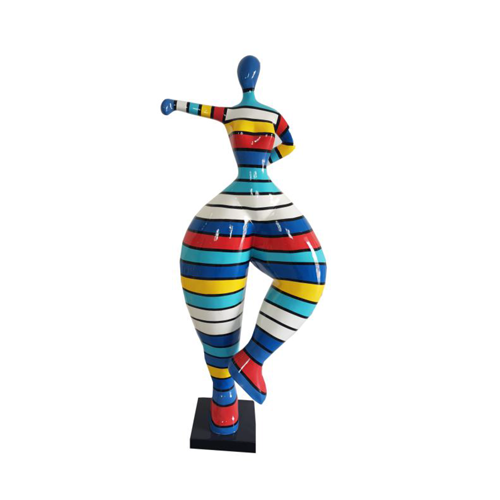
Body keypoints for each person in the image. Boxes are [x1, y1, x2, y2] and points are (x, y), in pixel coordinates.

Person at [161, 55, 326, 435]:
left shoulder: (231, 112)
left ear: (243, 79)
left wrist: (174, 105)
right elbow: (290, 145)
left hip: (232, 207)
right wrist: (268, 160)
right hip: (265, 199)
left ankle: (239, 374)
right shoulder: (274, 117)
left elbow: (200, 109)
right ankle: (239, 376)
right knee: (309, 275)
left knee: (307, 276)